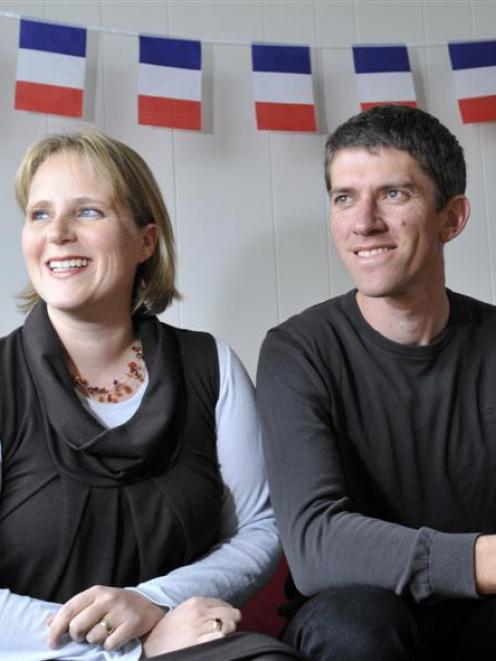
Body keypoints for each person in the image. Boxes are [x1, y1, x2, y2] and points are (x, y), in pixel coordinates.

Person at [0, 129, 300, 661]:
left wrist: (153, 602)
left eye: (88, 212)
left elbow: (260, 529)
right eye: (40, 214)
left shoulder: (214, 367)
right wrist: (132, 649)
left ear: (145, 240)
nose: (58, 233)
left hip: (180, 641)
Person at [257, 104, 496, 660]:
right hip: (355, 612)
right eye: (344, 197)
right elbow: (316, 544)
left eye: (393, 193)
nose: (363, 222)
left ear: (451, 218)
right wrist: (482, 559)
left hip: (483, 612)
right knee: (357, 624)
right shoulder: (298, 351)